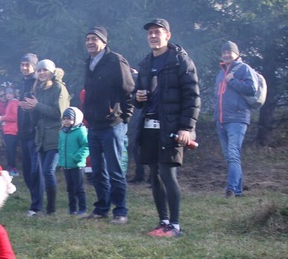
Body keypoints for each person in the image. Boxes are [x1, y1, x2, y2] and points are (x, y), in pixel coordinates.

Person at [133, 18, 200, 238]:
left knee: (167, 173)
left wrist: (186, 127)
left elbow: (192, 97)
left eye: (158, 32)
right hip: (149, 127)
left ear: (167, 36)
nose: (153, 36)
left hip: (172, 127)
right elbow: (139, 97)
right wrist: (139, 97)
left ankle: (176, 226)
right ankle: (162, 222)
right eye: (150, 33)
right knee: (154, 175)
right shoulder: (145, 64)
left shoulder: (181, 61)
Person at [80, 26, 135, 224]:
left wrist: (125, 117)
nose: (90, 42)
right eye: (87, 39)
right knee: (97, 170)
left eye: (94, 39)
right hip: (93, 125)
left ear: (104, 42)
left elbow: (128, 89)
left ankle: (120, 211)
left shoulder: (115, 60)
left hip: (113, 125)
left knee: (114, 169)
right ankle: (102, 208)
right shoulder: (89, 63)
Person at [20, 59, 69, 216]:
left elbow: (59, 113)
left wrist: (37, 105)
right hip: (40, 137)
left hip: (55, 134)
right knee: (42, 171)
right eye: (39, 70)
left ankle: (51, 209)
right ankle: (44, 207)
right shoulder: (38, 89)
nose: (41, 73)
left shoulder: (59, 88)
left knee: (48, 171)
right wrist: (29, 109)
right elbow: (37, 117)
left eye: (44, 70)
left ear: (52, 72)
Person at [215, 40, 257, 198]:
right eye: (224, 52)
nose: (226, 54)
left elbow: (251, 89)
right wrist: (216, 118)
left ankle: (231, 189)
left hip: (237, 118)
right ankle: (237, 191)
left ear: (237, 54)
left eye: (229, 52)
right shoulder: (221, 72)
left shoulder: (243, 68)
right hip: (221, 120)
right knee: (231, 156)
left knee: (233, 154)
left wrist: (232, 81)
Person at [58, 107, 89, 215]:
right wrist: (61, 162)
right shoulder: (62, 132)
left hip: (77, 165)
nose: (66, 121)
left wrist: (78, 157)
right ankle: (72, 209)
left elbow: (86, 145)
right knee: (70, 189)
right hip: (66, 166)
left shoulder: (80, 131)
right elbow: (61, 148)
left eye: (69, 118)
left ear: (75, 119)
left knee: (79, 188)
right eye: (64, 118)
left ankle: (82, 208)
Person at [17, 53, 39, 201]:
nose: (24, 67)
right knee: (26, 169)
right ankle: (34, 199)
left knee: (35, 169)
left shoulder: (37, 82)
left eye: (27, 65)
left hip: (35, 132)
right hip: (23, 131)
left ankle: (37, 203)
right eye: (22, 64)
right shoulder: (23, 83)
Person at [0, 88, 20, 177]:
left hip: (12, 131)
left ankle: (13, 169)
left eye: (10, 93)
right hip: (8, 130)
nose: (8, 95)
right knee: (9, 150)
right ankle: (10, 168)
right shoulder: (10, 103)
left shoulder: (14, 103)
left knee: (11, 151)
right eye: (7, 93)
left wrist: (2, 118)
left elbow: (14, 117)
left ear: (14, 94)